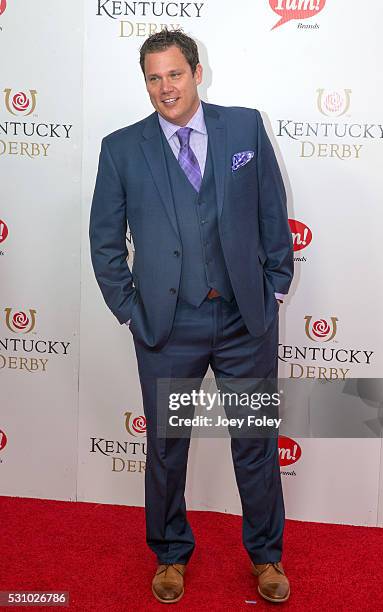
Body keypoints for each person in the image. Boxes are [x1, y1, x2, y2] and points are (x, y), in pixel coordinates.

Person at [90, 29, 293, 604]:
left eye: (174, 74)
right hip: (167, 328)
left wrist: (275, 287)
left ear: (197, 73)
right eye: (153, 78)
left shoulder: (245, 127)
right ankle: (170, 555)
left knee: (254, 441)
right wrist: (132, 311)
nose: (165, 87)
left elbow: (272, 214)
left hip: (242, 322)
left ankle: (267, 555)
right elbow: (105, 242)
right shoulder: (121, 148)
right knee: (167, 444)